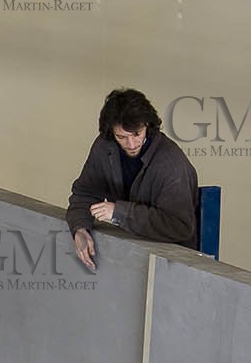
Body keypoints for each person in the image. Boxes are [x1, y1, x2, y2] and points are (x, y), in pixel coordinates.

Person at [67, 88, 199, 271]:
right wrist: (80, 228)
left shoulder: (171, 164)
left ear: (148, 125)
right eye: (121, 137)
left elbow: (180, 227)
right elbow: (85, 193)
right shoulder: (104, 147)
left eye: (137, 134)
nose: (131, 144)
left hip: (174, 262)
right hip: (131, 252)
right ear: (111, 133)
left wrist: (119, 212)